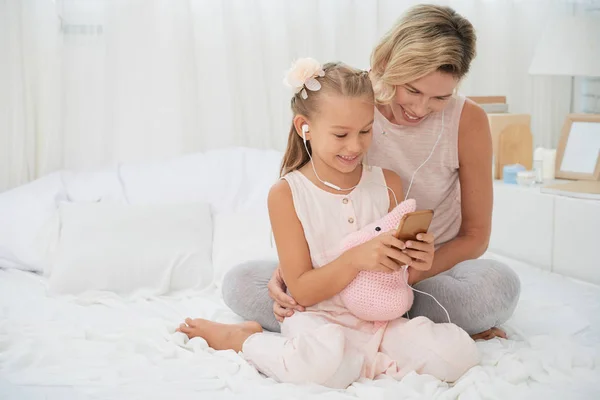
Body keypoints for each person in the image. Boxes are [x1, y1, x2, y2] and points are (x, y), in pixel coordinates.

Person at [222, 4, 520, 340]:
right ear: (385, 64)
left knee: (495, 286)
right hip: (341, 269)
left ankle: (360, 319)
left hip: (423, 273)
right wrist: (299, 272)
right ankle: (394, 324)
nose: (421, 109)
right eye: (413, 90)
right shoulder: (352, 99)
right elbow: (315, 199)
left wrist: (399, 275)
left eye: (440, 97)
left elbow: (475, 235)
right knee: (242, 281)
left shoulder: (468, 121)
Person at [178, 60, 479, 388]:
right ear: (304, 127)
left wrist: (419, 259)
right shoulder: (287, 194)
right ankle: (244, 339)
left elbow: (397, 270)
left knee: (458, 355)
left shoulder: (388, 182)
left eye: (365, 131)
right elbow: (303, 290)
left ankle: (364, 361)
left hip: (381, 321)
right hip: (318, 320)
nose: (355, 146)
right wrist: (356, 258)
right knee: (319, 368)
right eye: (341, 135)